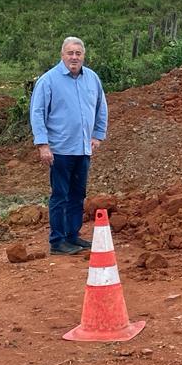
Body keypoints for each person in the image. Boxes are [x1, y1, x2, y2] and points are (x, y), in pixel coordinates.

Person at [29, 37, 108, 255]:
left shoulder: (92, 79)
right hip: (60, 150)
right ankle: (57, 241)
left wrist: (98, 135)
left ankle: (73, 235)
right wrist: (43, 144)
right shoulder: (48, 81)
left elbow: (101, 108)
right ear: (62, 55)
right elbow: (37, 113)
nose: (74, 57)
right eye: (70, 53)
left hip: (83, 149)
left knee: (77, 194)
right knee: (60, 195)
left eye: (78, 53)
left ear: (83, 55)